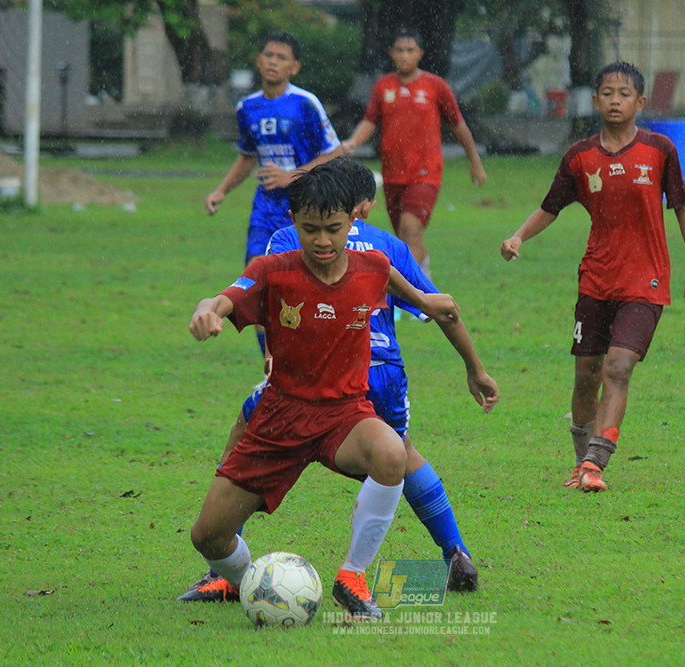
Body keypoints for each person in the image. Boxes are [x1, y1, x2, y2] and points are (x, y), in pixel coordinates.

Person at [179, 158, 498, 604]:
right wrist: (206, 310)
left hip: (346, 414)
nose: (322, 240)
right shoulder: (273, 269)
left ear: (354, 217)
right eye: (310, 228)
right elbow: (225, 298)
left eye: (333, 227)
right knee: (208, 537)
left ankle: (352, 577)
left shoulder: (375, 266)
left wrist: (468, 358)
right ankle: (243, 578)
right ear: (294, 221)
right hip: (281, 415)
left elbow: (431, 303)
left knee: (392, 452)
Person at [499, 61, 685, 493]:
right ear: (595, 101)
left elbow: (683, 205)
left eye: (624, 93)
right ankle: (582, 462)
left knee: (619, 367)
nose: (615, 100)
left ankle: (596, 460)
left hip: (646, 281)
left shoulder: (659, 150)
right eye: (607, 93)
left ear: (640, 102)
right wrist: (519, 236)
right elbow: (550, 207)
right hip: (595, 280)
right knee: (586, 377)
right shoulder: (580, 157)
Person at [205, 31, 342, 355]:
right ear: (258, 60)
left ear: (294, 67)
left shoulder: (305, 103)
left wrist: (290, 176)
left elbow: (333, 153)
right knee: (255, 280)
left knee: (303, 285)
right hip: (265, 207)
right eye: (268, 55)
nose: (273, 62)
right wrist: (221, 190)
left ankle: (309, 355)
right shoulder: (247, 107)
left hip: (305, 208)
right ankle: (271, 363)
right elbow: (248, 155)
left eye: (281, 58)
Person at [341, 27, 486, 277]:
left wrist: (475, 160)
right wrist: (353, 142)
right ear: (391, 53)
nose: (405, 55)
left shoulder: (435, 86)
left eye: (410, 50)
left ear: (420, 53)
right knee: (403, 236)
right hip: (393, 173)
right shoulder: (383, 86)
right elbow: (370, 121)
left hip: (425, 172)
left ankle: (409, 296)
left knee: (411, 228)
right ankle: (422, 272)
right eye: (400, 50)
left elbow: (458, 124)